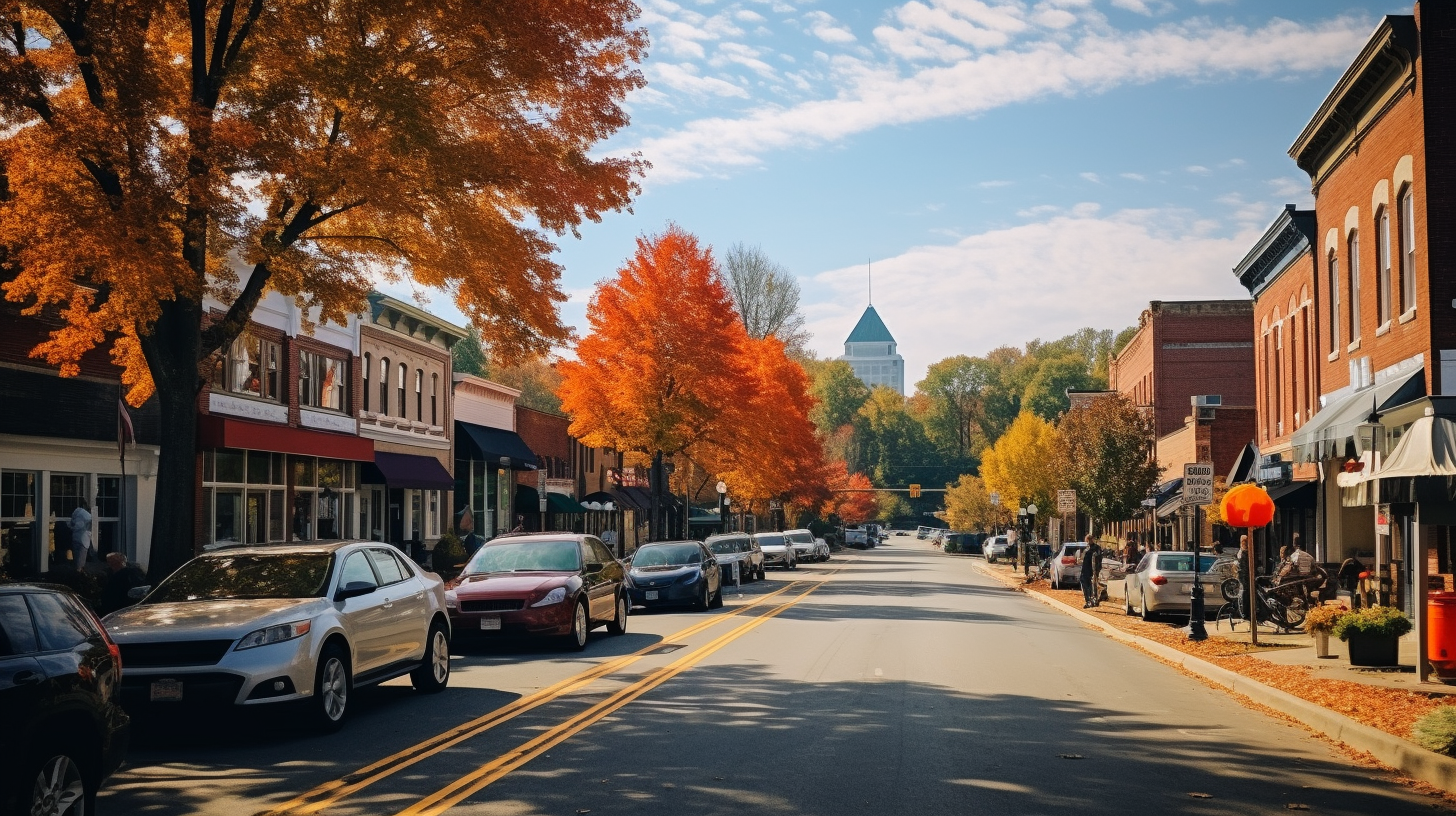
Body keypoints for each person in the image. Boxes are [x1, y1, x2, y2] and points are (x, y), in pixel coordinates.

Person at [1079, 534, 1103, 609]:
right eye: (1088, 539)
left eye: (1090, 539)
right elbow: (1083, 560)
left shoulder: (1096, 548)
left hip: (1092, 570)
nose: (1088, 541)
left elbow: (1098, 560)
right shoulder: (1087, 548)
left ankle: (1093, 601)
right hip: (1085, 570)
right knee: (1086, 586)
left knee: (1092, 586)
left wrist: (1096, 571)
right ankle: (1088, 601)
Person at [69, 501, 92, 572]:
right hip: (84, 540)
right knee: (81, 562)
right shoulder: (87, 515)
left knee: (76, 559)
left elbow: (71, 524)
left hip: (75, 537)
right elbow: (92, 522)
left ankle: (76, 573)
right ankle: (80, 575)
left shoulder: (75, 513)